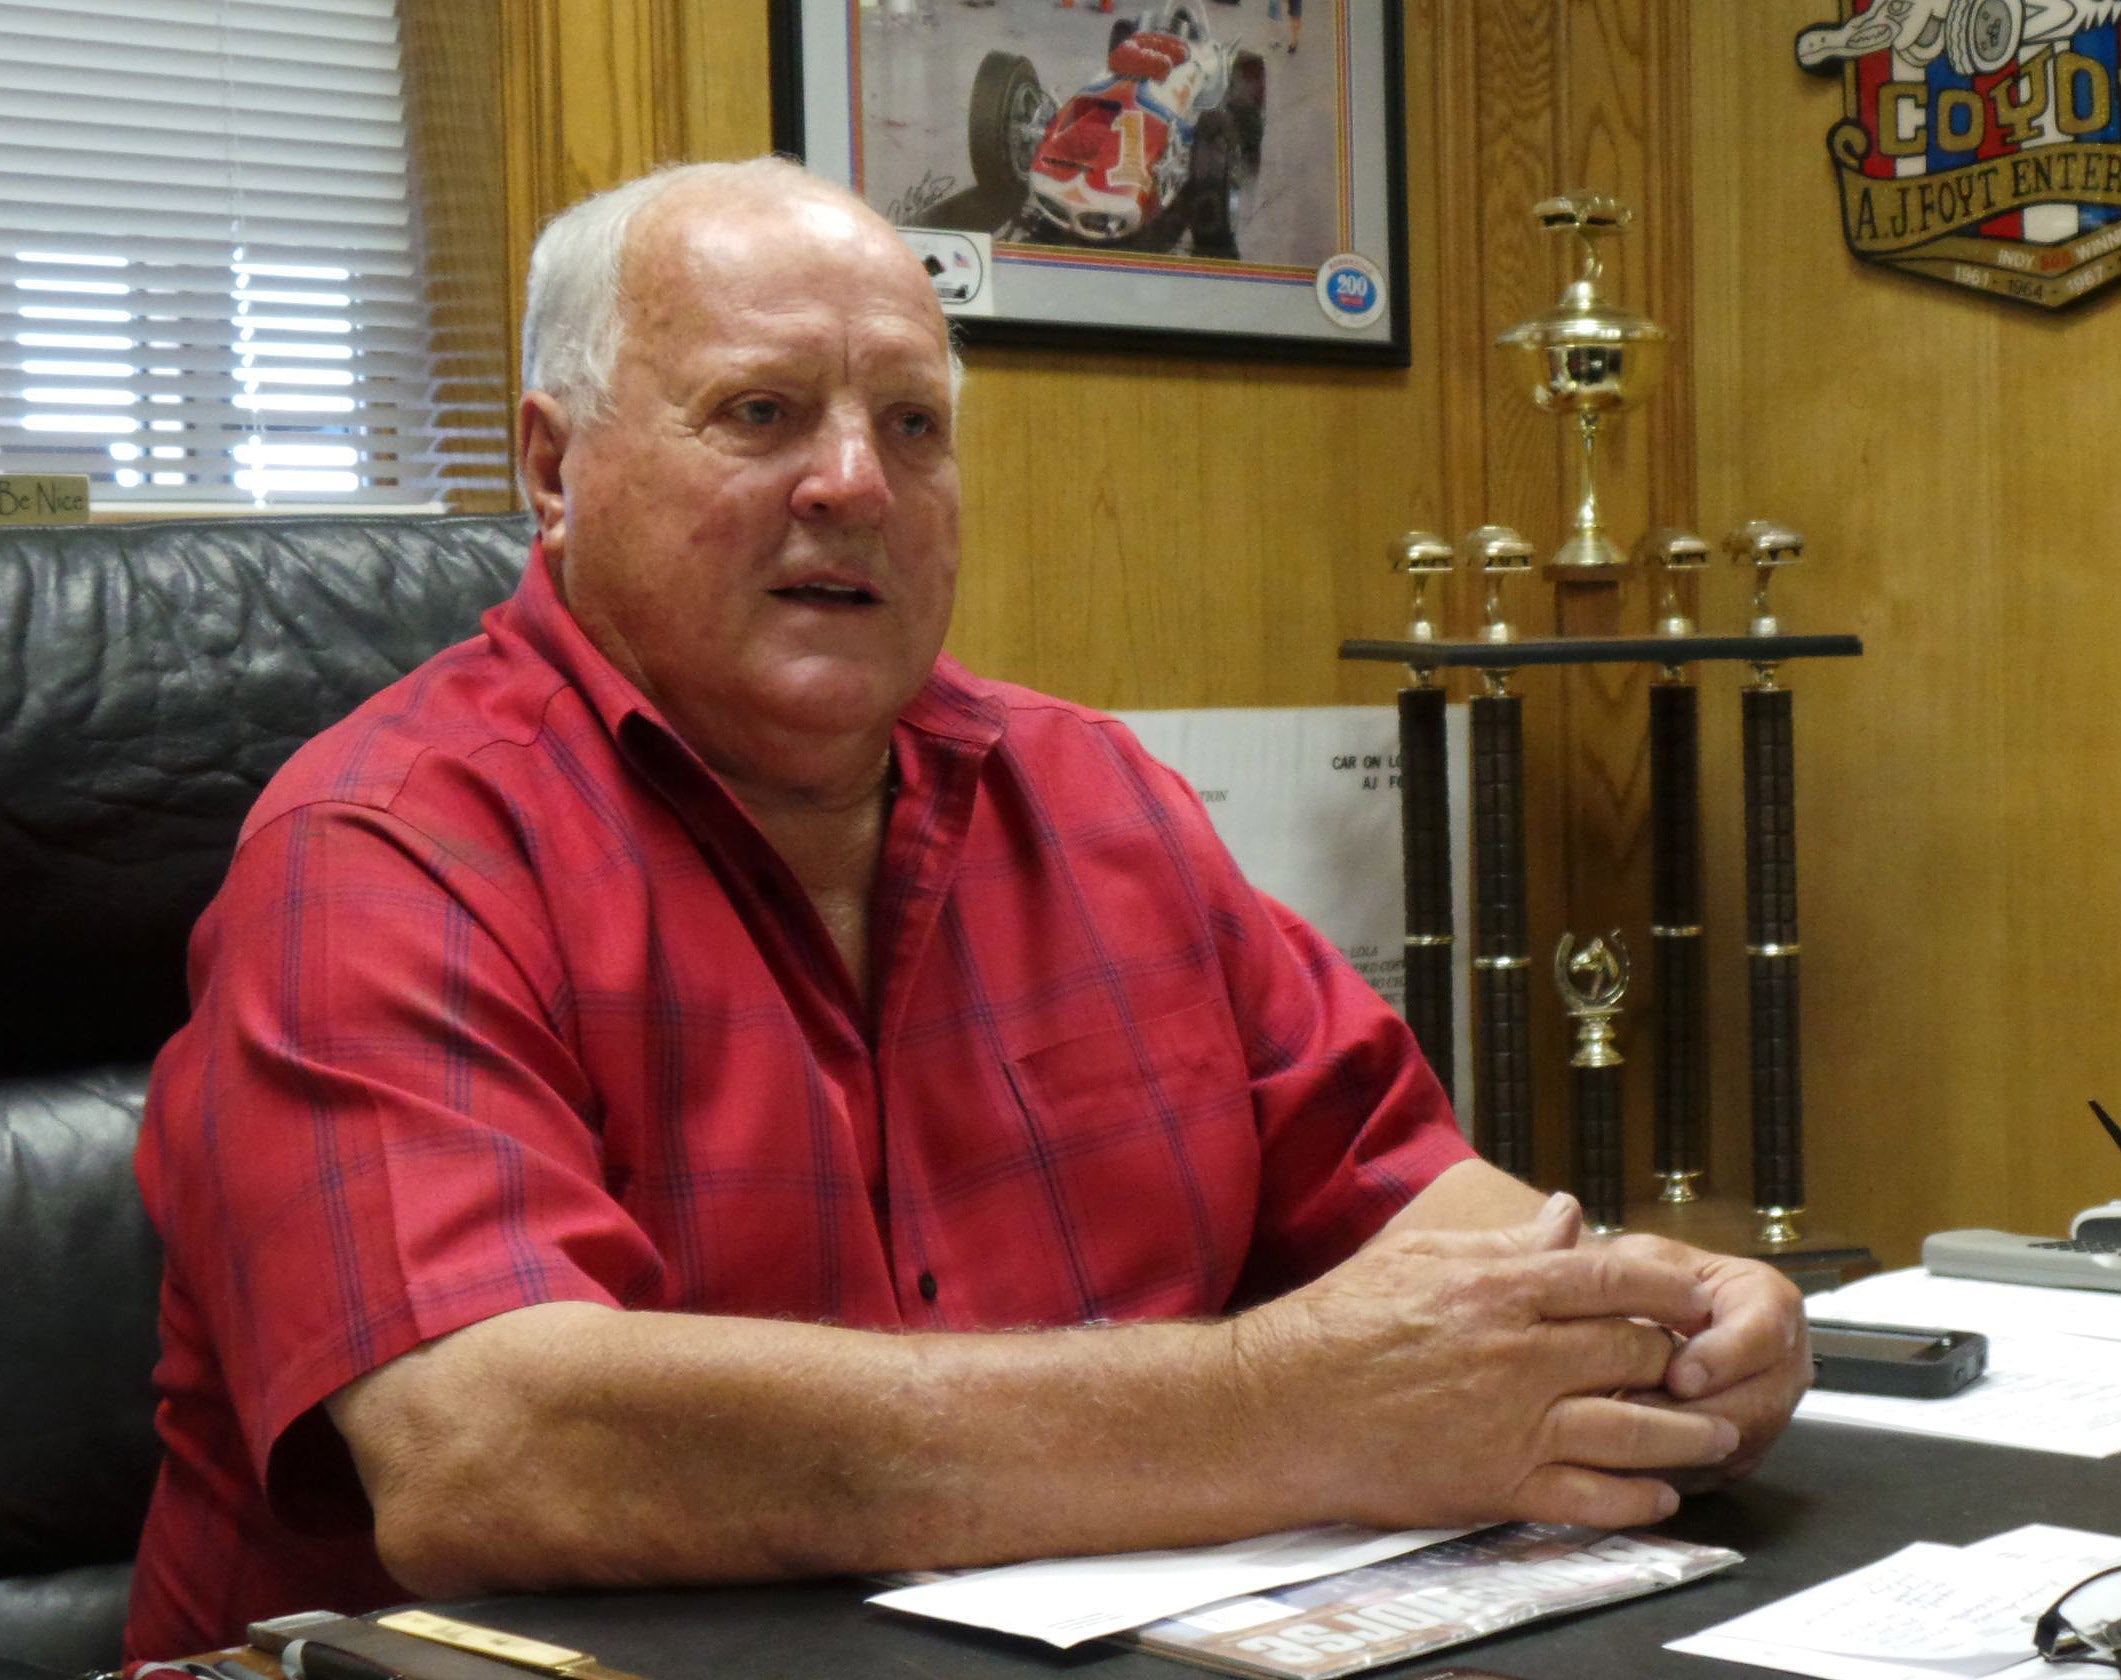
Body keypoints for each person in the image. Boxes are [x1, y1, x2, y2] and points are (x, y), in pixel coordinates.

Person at [126, 157, 1809, 1659]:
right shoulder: (380, 851)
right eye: (760, 412)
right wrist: (1287, 1412)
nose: (854, 483)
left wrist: (1636, 1317)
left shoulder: (1092, 798)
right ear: (555, 471)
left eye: (912, 424)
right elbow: (494, 1449)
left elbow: (1406, 1206)